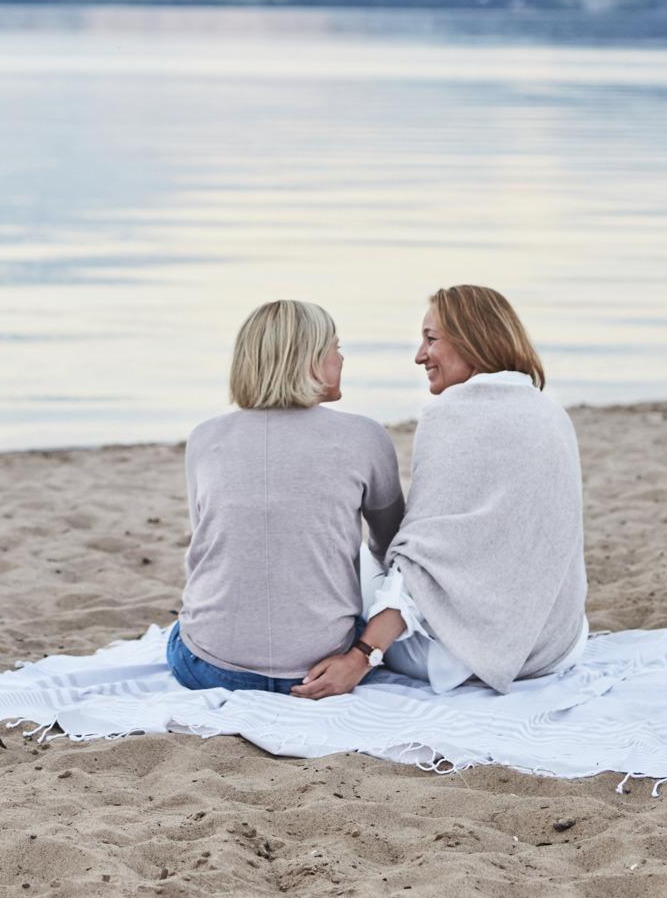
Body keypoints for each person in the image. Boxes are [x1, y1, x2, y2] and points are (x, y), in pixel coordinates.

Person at [292, 284, 587, 699]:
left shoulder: (450, 412)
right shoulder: (550, 412)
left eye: (431, 339)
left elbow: (420, 561)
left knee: (347, 552)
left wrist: (361, 656)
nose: (419, 355)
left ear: (474, 339)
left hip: (464, 659)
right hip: (556, 645)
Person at [168, 300, 405, 694]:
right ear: (311, 360)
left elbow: (209, 540)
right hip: (323, 666)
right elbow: (391, 543)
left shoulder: (204, 437)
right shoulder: (365, 436)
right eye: (335, 347)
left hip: (209, 667)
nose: (341, 359)